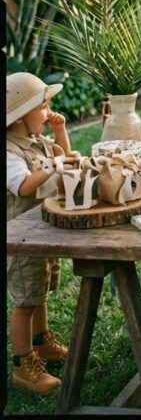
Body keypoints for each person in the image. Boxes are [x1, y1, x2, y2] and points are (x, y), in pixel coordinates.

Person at [6, 73, 73, 394]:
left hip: (41, 232)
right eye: (43, 106)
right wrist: (50, 167)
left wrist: (59, 132)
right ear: (20, 116)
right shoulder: (9, 153)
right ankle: (23, 364)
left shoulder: (37, 140)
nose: (48, 111)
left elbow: (63, 155)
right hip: (20, 238)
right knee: (25, 302)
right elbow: (22, 187)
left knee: (40, 290)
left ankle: (41, 341)